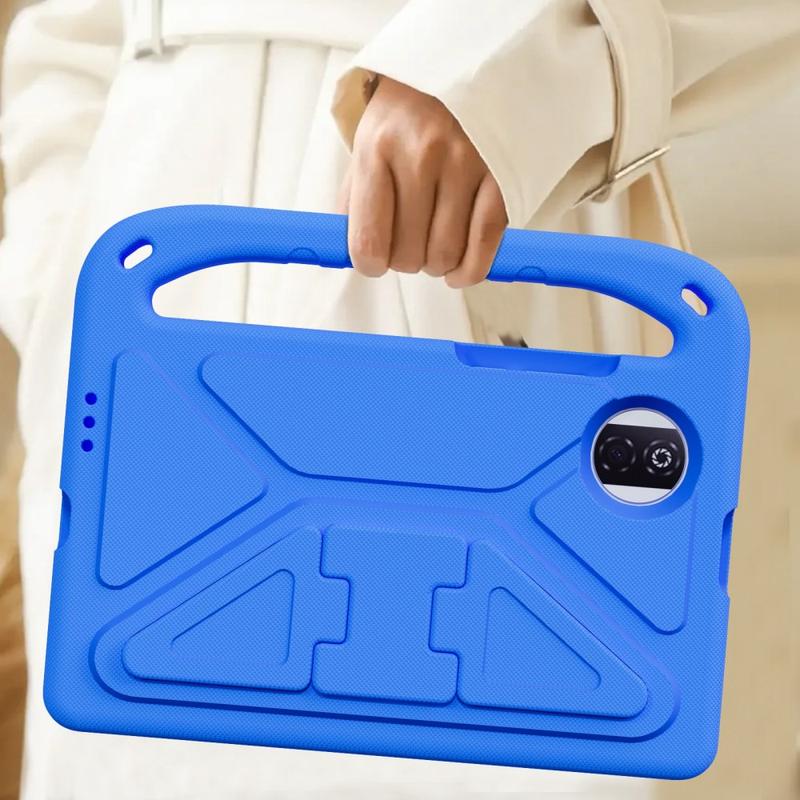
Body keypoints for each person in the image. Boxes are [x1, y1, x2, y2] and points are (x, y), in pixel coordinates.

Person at [1, 1, 799, 798]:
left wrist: (503, 66)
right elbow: (67, 33)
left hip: (466, 226)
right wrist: (53, 280)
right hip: (144, 318)